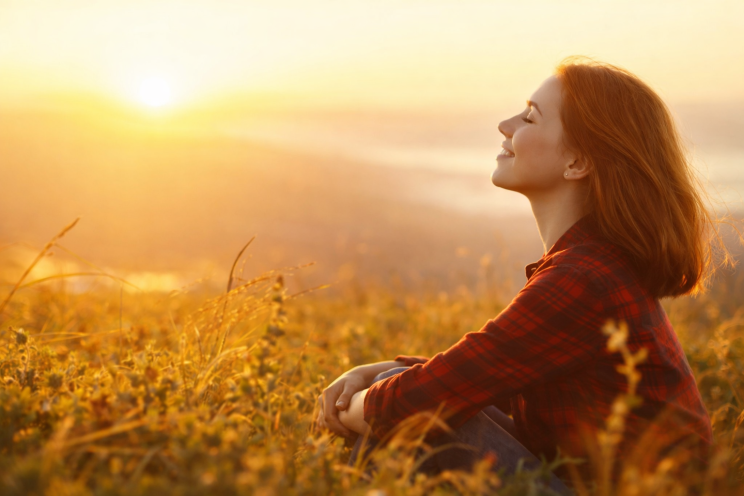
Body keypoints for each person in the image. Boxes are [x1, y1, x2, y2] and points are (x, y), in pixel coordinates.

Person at [314, 56, 728, 492]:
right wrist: (376, 371)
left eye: (530, 116)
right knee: (403, 394)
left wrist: (345, 409)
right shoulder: (591, 265)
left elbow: (420, 402)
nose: (504, 124)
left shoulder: (584, 278)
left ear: (577, 162)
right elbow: (494, 378)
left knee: (425, 422)